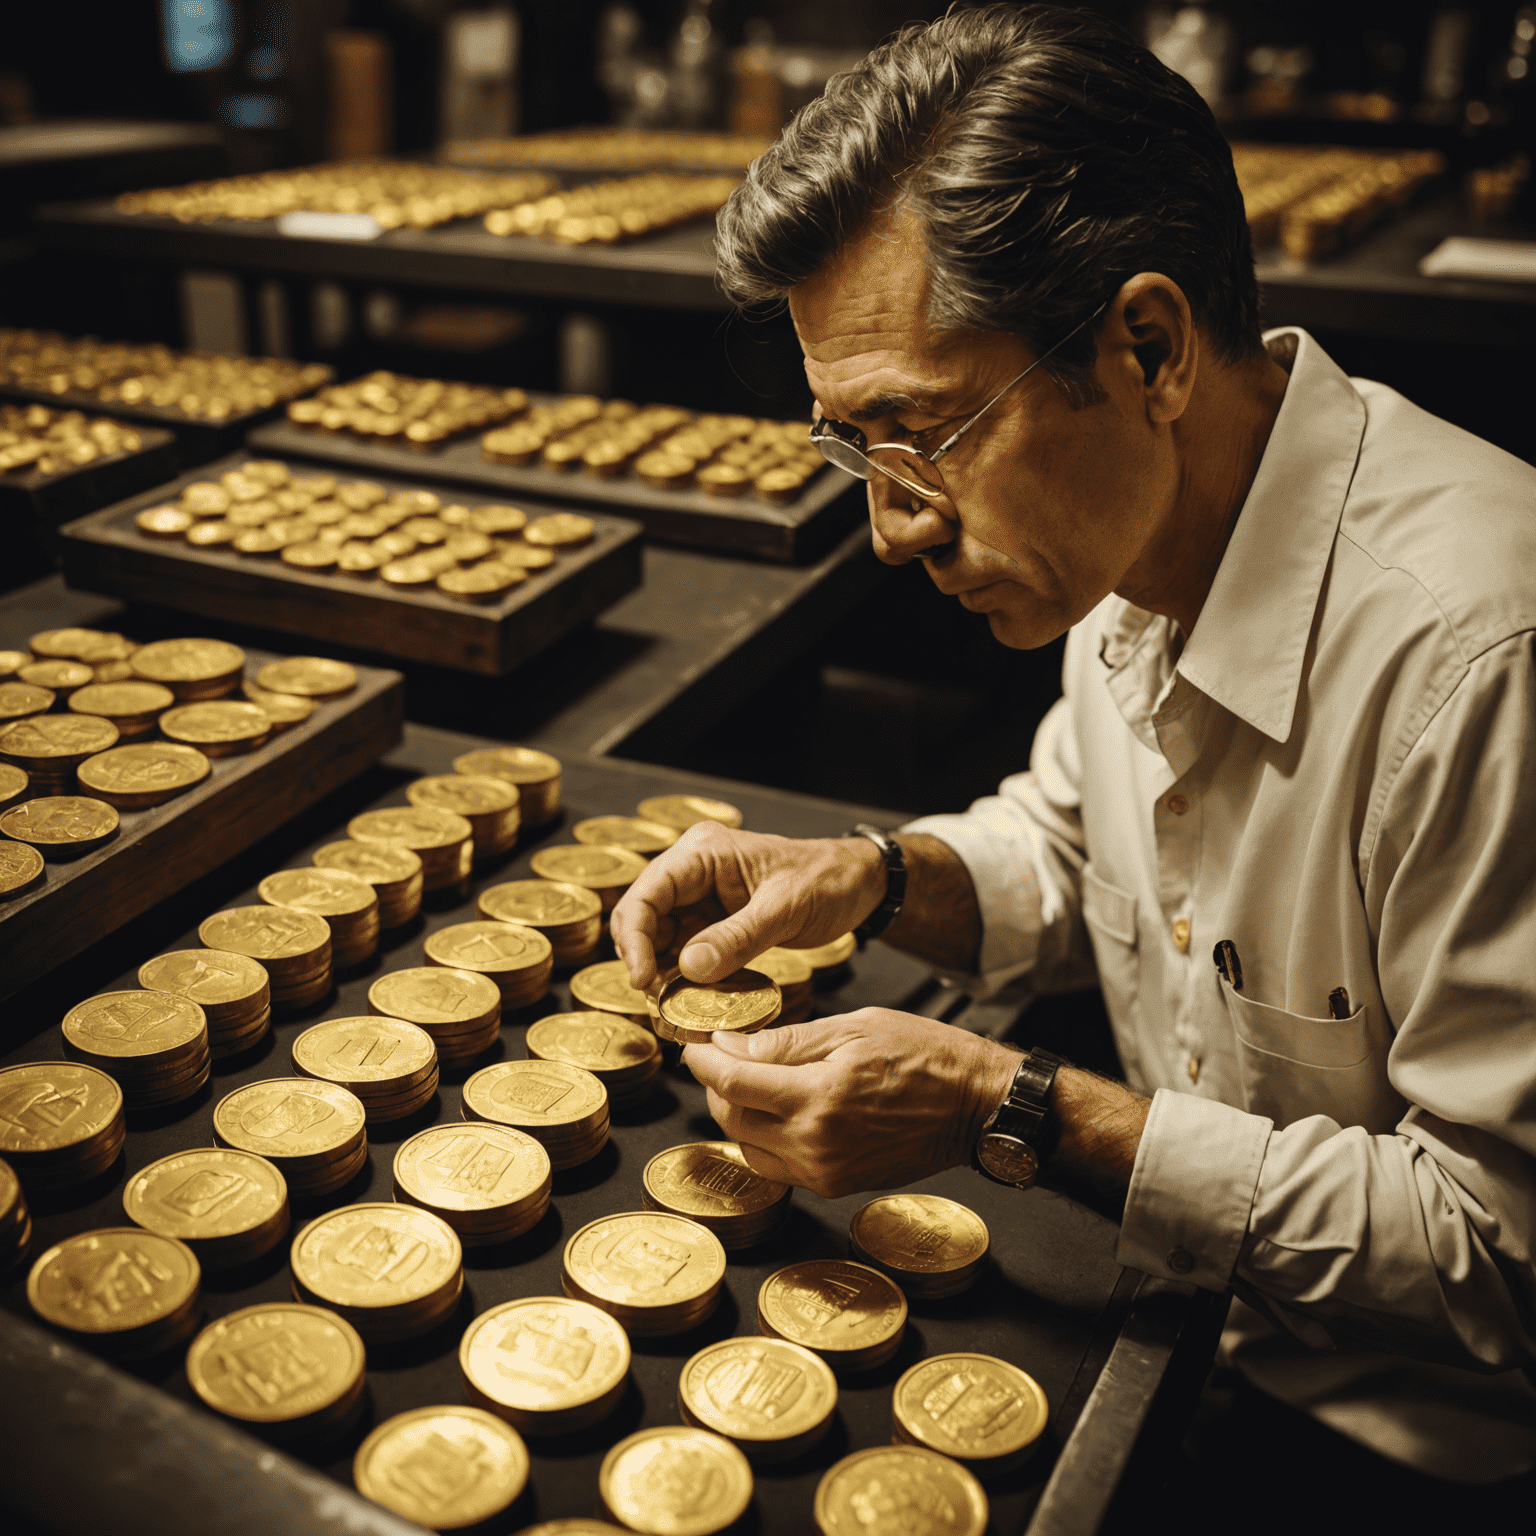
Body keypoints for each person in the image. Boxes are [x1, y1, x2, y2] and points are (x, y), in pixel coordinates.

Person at [610, 1, 1536, 1512]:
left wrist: (1011, 1105)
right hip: (1177, 1323)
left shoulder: (1483, 657)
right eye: (853, 449)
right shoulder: (1139, 535)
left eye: (921, 434)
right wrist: (866, 876)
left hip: (1399, 1451)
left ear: (1148, 345)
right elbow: (1075, 847)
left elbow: (1500, 1252)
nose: (890, 526)